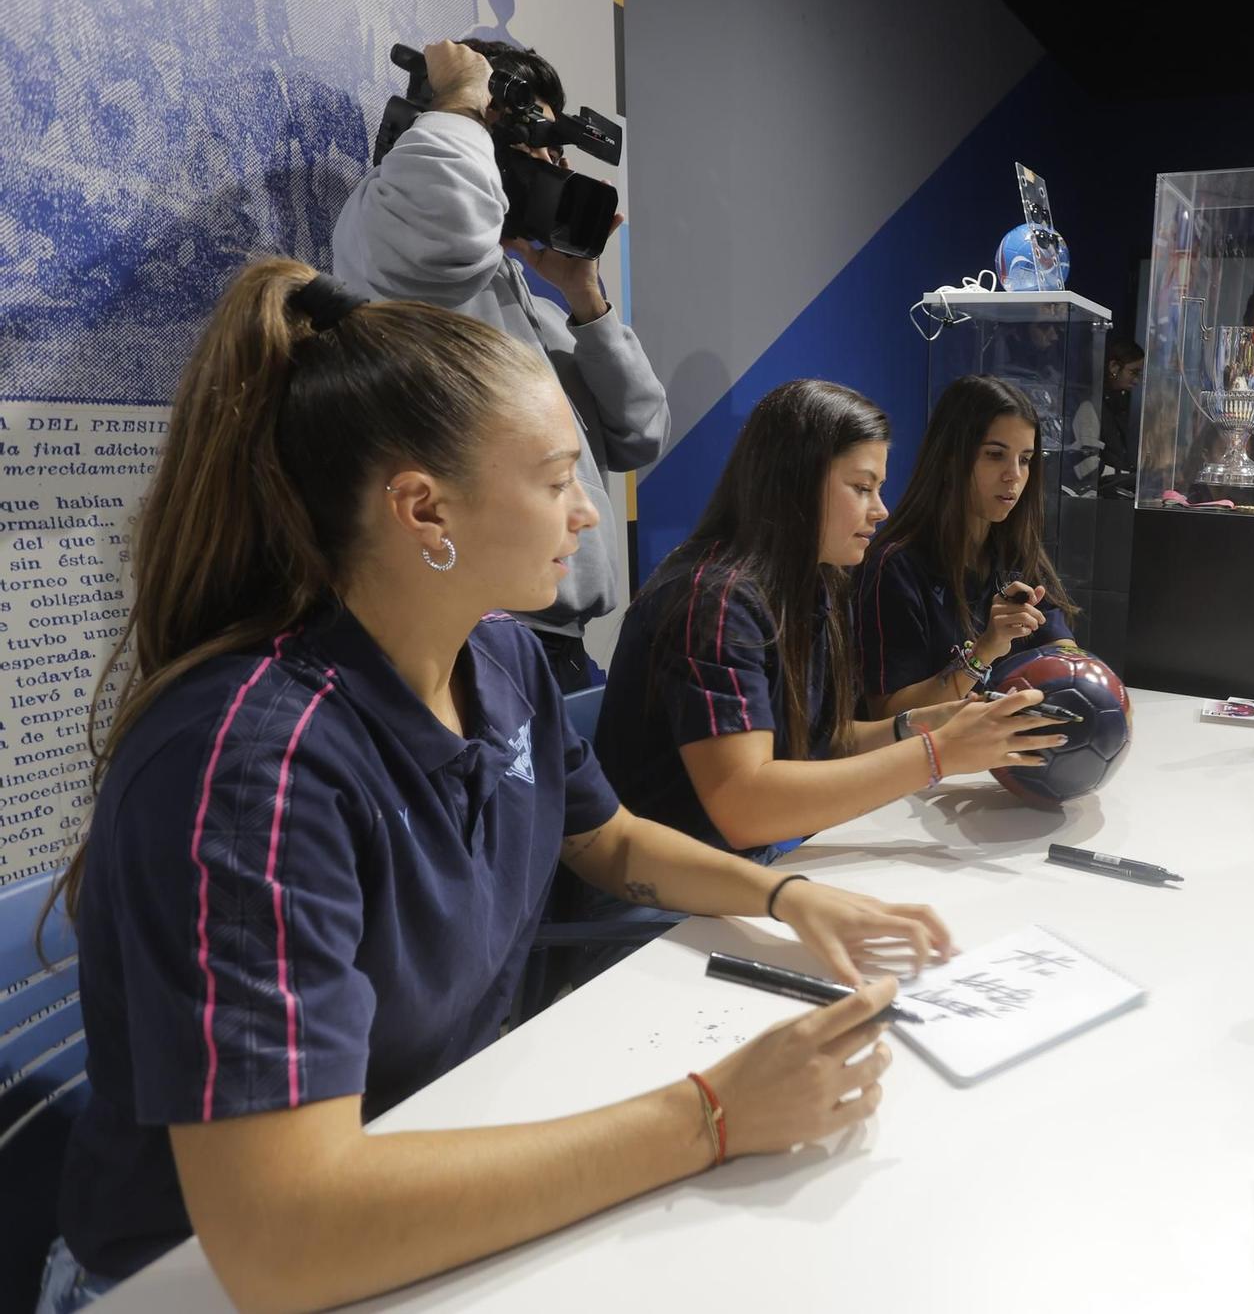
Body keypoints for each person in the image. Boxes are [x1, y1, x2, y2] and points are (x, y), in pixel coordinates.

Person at [36, 262, 952, 1314]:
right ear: (425, 511)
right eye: (559, 478)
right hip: (189, 1278)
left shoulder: (505, 657)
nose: (585, 517)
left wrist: (783, 895)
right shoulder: (252, 768)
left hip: (416, 1167)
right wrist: (709, 1115)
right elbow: (280, 1238)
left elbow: (605, 837)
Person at [594, 379, 1065, 868]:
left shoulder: (812, 584)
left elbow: (823, 741)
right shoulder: (713, 603)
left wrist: (924, 724)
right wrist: (938, 753)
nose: (880, 510)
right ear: (796, 481)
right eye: (862, 488)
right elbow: (745, 806)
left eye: (878, 488)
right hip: (672, 902)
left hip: (763, 863)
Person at [333, 39, 671, 691]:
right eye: (533, 143)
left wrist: (584, 297)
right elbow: (446, 220)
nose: (551, 163)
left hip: (560, 655)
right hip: (471, 647)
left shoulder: (537, 315)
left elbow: (641, 432)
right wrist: (461, 97)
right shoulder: (399, 244)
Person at [858, 376, 1080, 718]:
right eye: (995, 455)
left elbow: (1062, 652)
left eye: (1025, 459)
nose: (1014, 476)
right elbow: (888, 716)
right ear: (950, 458)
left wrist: (1093, 687)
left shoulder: (1016, 552)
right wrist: (984, 651)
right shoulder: (895, 568)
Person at [1069, 336, 1143, 491]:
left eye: (1139, 374)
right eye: (1133, 372)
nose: (1136, 381)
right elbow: (1084, 464)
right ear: (1114, 367)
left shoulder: (1118, 405)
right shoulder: (1090, 405)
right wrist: (1124, 475)